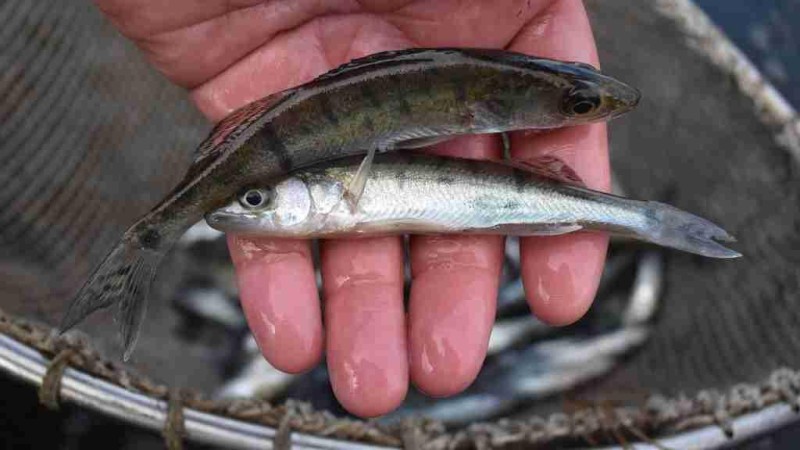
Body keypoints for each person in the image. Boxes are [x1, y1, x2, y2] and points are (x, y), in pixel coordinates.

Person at [94, 0, 610, 417]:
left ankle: (143, 250)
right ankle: (144, 248)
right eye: (579, 105)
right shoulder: (475, 97)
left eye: (577, 101)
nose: (582, 113)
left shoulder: (480, 91)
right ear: (492, 107)